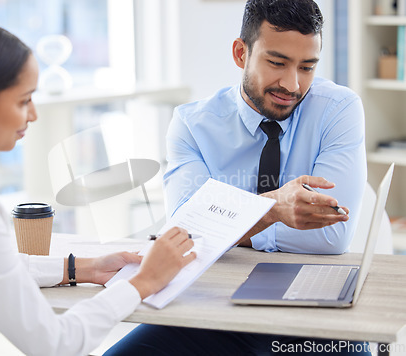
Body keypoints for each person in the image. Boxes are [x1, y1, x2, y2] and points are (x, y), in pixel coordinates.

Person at [0, 18, 196, 356]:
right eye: (23, 100)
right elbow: (56, 344)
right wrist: (143, 282)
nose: (33, 115)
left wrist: (82, 268)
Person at [104, 0, 371, 354]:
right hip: (211, 312)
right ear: (240, 53)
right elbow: (184, 234)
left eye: (306, 67)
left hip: (317, 318)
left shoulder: (338, 109)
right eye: (277, 63)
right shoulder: (192, 125)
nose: (292, 84)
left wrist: (224, 225)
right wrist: (275, 210)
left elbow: (331, 236)